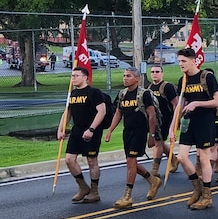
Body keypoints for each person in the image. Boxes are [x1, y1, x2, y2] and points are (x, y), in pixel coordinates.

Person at [169, 48, 218, 210]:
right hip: (188, 123)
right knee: (182, 157)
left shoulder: (207, 77)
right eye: (179, 61)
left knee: (204, 158)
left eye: (184, 61)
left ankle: (207, 196)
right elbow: (179, 106)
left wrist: (197, 103)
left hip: (205, 122)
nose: (181, 64)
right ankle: (197, 186)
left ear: (194, 60)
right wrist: (172, 128)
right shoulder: (183, 80)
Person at [104, 67, 162, 209]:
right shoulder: (122, 94)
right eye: (124, 75)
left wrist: (152, 135)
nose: (125, 78)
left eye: (128, 76)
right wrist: (110, 130)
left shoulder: (144, 94)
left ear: (137, 78)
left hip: (140, 131)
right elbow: (118, 113)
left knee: (131, 161)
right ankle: (152, 180)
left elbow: (152, 115)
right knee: (131, 163)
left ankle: (127, 196)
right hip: (127, 131)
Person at [57, 67, 107, 204]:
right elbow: (67, 113)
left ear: (85, 77)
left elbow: (101, 112)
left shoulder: (94, 92)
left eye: (76, 76)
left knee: (92, 161)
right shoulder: (72, 94)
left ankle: (94, 191)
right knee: (69, 159)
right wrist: (61, 129)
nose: (73, 78)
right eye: (72, 76)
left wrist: (91, 129)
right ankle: (83, 187)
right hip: (76, 130)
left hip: (91, 130)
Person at [148, 65, 179, 176]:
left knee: (158, 142)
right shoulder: (150, 87)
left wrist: (176, 121)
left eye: (157, 71)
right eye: (152, 72)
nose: (154, 74)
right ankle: (174, 159)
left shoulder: (167, 87)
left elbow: (176, 104)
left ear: (162, 73)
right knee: (159, 142)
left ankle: (155, 169)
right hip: (154, 120)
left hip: (166, 120)